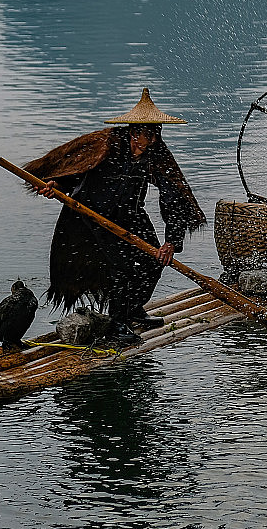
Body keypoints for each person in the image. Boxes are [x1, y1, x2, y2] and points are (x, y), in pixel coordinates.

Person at [24, 88, 206, 346]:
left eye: (157, 132)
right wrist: (54, 186)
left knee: (154, 260)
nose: (154, 138)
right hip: (90, 217)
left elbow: (173, 194)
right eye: (149, 133)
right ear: (134, 132)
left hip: (131, 214)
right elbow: (74, 172)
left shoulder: (156, 153)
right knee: (121, 269)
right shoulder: (103, 144)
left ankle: (132, 309)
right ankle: (116, 324)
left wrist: (172, 241)